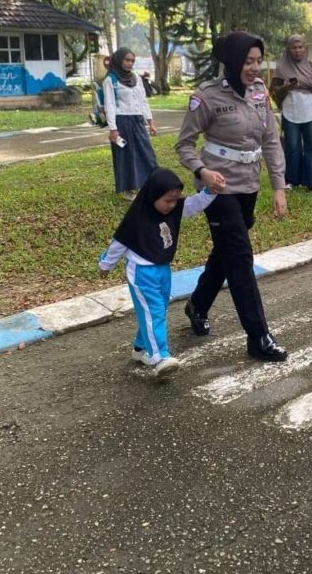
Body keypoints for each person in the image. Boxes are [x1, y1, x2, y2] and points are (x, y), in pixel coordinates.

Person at [175, 31, 288, 362]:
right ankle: (258, 336)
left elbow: (270, 141)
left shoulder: (259, 92)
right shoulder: (206, 97)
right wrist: (202, 172)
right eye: (248, 61)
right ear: (233, 60)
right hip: (217, 189)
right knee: (239, 256)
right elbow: (184, 145)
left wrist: (278, 186)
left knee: (227, 250)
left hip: (248, 186)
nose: (254, 68)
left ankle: (197, 304)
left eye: (258, 61)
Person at [98, 169, 216, 378]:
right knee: (154, 312)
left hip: (162, 269)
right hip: (142, 272)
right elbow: (119, 243)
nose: (172, 205)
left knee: (158, 309)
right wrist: (106, 264)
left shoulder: (174, 209)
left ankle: (140, 348)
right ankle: (159, 356)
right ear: (153, 196)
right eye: (167, 200)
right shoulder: (136, 219)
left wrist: (210, 191)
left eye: (175, 200)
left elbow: (194, 204)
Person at [104, 47, 158, 201]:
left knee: (146, 152)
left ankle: (151, 184)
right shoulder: (110, 80)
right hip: (121, 121)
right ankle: (128, 189)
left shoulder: (136, 78)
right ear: (119, 60)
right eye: (127, 60)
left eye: (132, 61)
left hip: (137, 120)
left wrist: (150, 121)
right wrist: (113, 129)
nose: (129, 63)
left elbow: (143, 101)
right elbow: (109, 105)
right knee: (126, 156)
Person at [274, 34, 312, 192]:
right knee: (292, 145)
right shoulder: (281, 67)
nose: (297, 50)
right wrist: (286, 87)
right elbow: (274, 90)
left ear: (305, 48)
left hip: (310, 109)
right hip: (291, 109)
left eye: (300, 47)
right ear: (288, 49)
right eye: (294, 47)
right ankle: (291, 180)